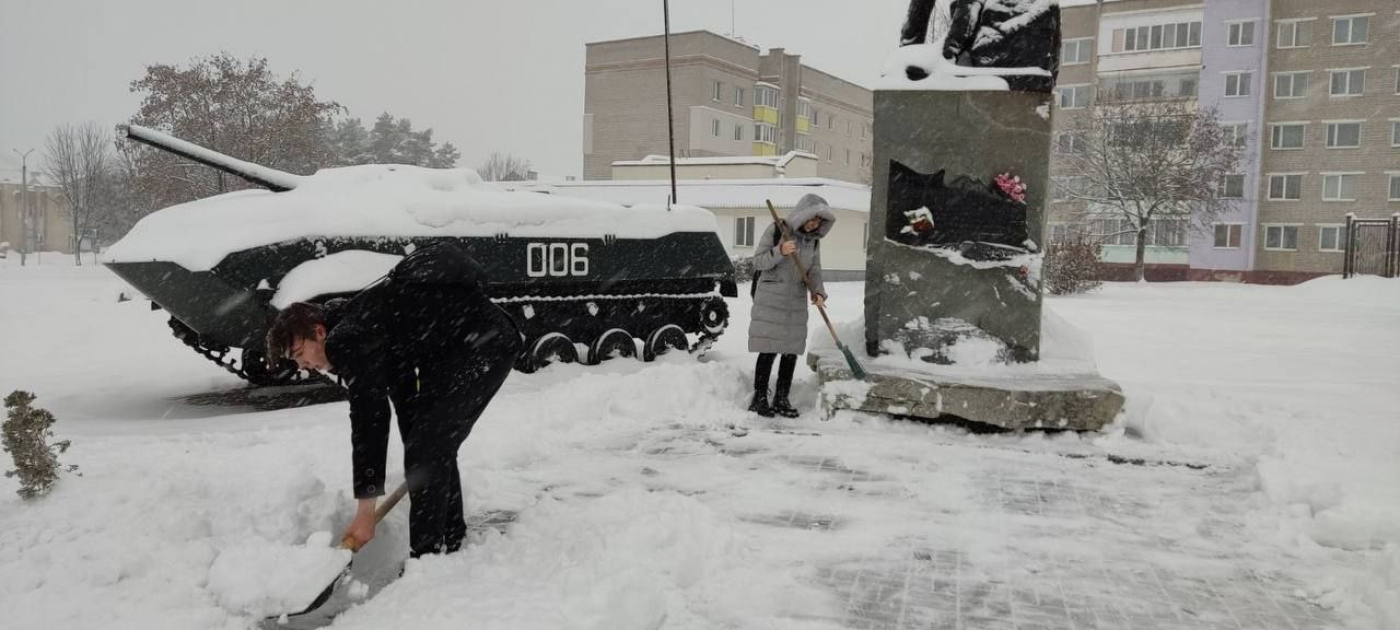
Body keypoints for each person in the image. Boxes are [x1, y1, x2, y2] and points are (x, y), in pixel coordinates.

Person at [266, 242, 523, 558]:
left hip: (483, 345)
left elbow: (369, 422)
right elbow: (403, 399)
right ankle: (449, 538)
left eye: (299, 354)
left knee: (429, 445)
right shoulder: (360, 323)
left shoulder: (346, 339)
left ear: (319, 332)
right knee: (428, 445)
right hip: (447, 351)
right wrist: (418, 452)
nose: (303, 365)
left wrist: (365, 512)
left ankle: (428, 556)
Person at [747, 194, 835, 418]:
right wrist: (780, 251)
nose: (814, 224)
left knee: (790, 351)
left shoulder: (813, 241)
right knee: (768, 350)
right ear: (803, 214)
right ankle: (759, 398)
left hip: (795, 300)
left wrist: (818, 292)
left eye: (819, 221)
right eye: (812, 218)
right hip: (771, 297)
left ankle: (781, 398)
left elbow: (814, 270)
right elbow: (758, 261)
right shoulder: (778, 229)